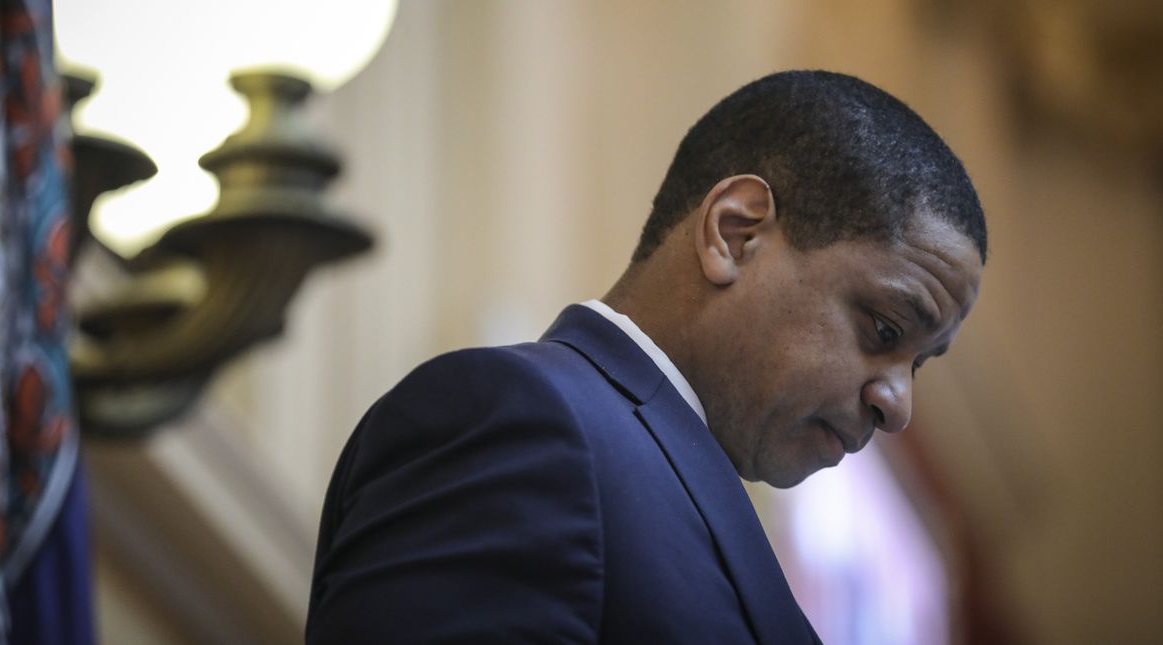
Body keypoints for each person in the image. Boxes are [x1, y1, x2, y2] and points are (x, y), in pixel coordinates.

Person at [304, 70, 986, 643]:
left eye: (919, 362)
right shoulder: (527, 426)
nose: (897, 404)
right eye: (884, 327)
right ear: (735, 233)